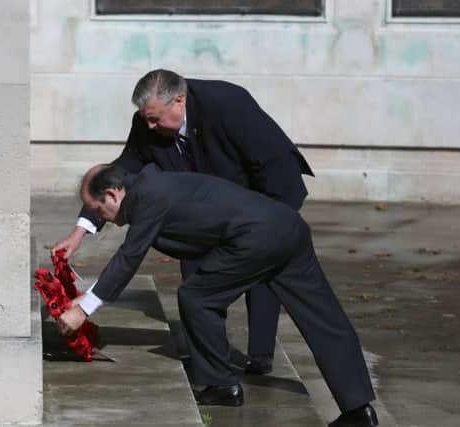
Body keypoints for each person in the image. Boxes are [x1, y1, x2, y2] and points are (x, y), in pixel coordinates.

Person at [59, 164, 378, 427]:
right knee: (323, 318)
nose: (107, 219)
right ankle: (359, 408)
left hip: (256, 237)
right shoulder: (149, 183)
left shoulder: (147, 196)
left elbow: (129, 256)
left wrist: (84, 309)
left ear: (113, 193)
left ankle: (221, 385)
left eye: (101, 210)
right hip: (287, 226)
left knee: (197, 297)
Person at [53, 69, 314, 374]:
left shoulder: (228, 103)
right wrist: (80, 231)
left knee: (263, 268)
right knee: (196, 274)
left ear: (179, 101)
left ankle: (261, 355)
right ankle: (207, 356)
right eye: (146, 118)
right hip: (204, 212)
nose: (149, 126)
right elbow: (118, 173)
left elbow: (274, 162)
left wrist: (278, 219)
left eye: (155, 118)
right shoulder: (147, 122)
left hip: (263, 194)